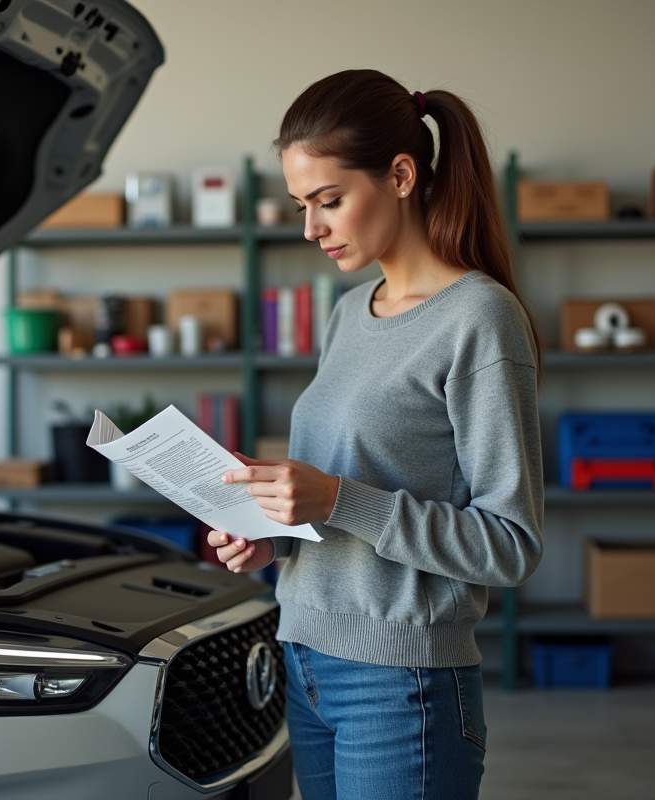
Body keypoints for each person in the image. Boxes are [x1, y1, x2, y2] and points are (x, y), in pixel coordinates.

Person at [208, 70, 545, 800]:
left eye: (329, 201)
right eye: (301, 205)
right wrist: (273, 533)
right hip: (304, 657)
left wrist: (336, 499)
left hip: (400, 683)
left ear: (400, 176)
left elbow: (510, 544)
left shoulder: (479, 319)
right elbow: (340, 496)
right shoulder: (349, 312)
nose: (310, 228)